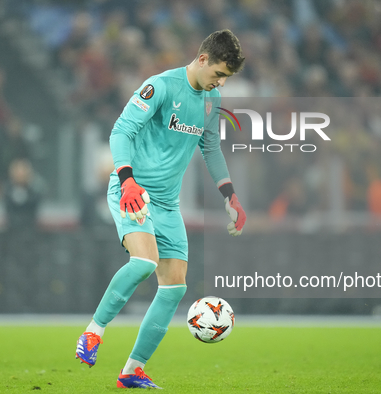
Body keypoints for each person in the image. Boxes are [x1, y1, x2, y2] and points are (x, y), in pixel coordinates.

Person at [75, 29, 247, 389]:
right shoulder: (161, 86)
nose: (221, 83)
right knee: (144, 262)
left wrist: (229, 195)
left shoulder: (210, 100)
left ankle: (132, 370)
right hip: (132, 191)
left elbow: (211, 147)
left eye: (226, 78)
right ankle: (93, 332)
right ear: (202, 59)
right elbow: (120, 132)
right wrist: (126, 180)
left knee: (174, 288)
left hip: (167, 203)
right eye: (218, 73)